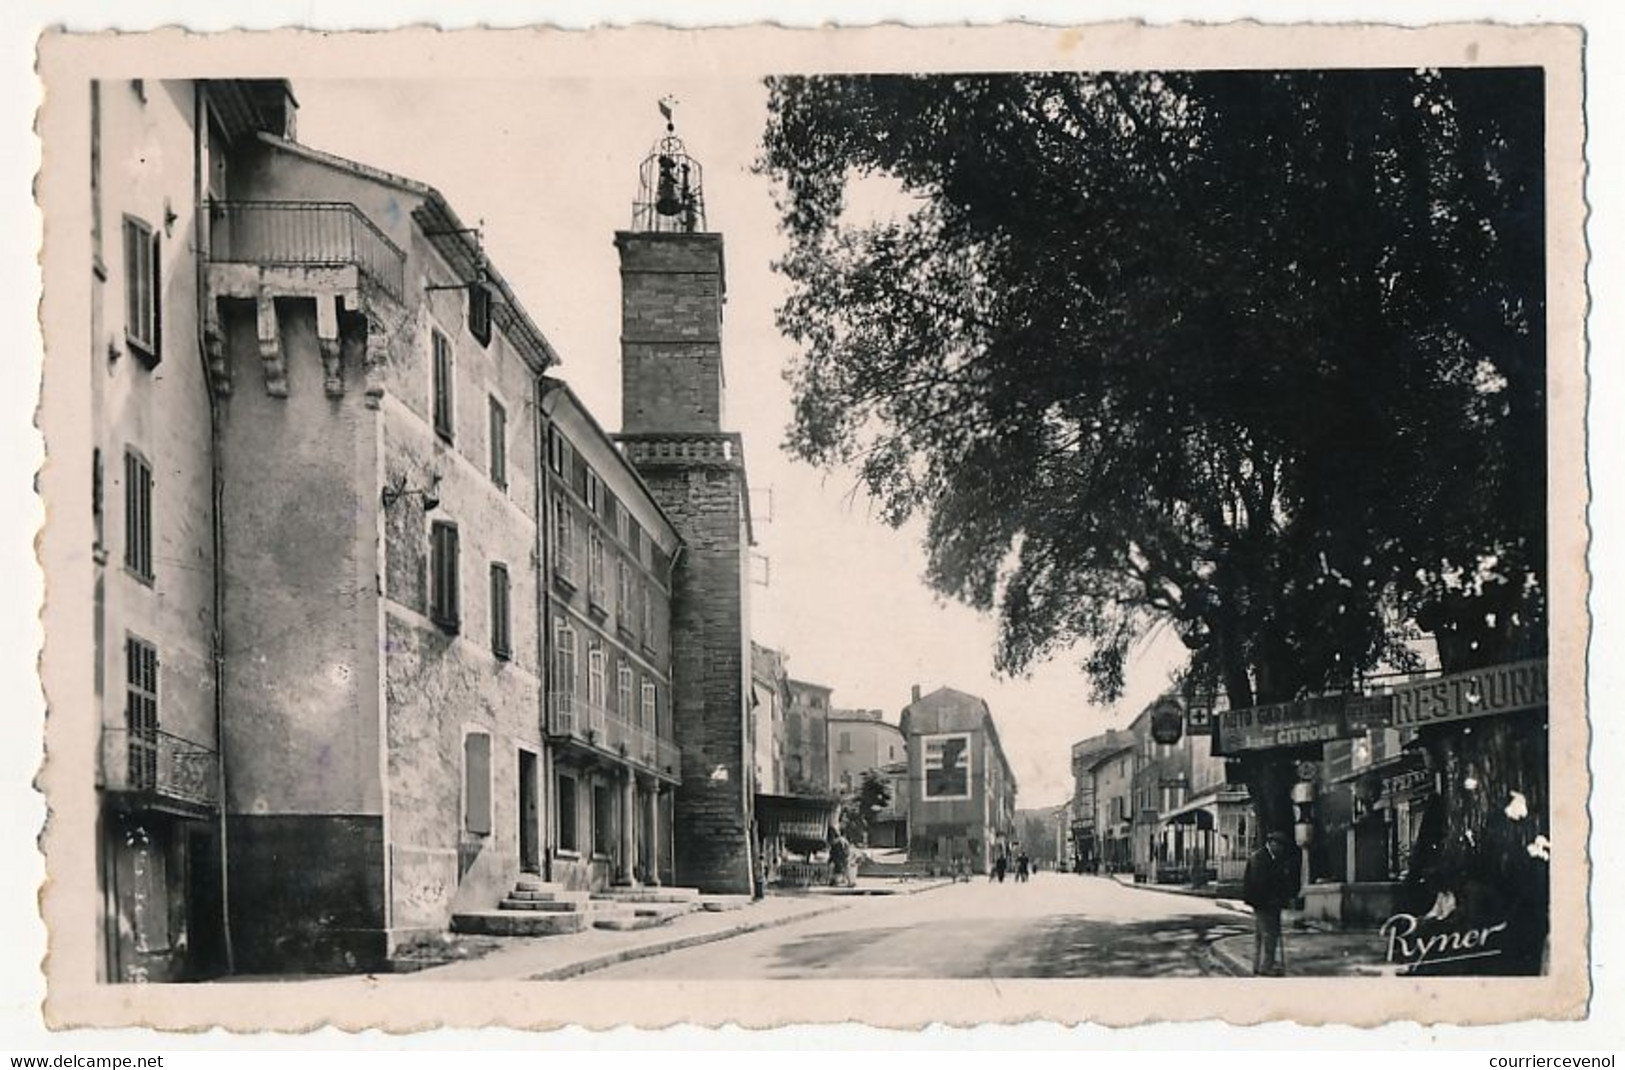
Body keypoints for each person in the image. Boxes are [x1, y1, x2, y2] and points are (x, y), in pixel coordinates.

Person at [1243, 830, 1302, 976]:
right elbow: (1261, 883)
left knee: (1261, 935)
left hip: (1263, 903)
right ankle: (1265, 967)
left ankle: (1258, 965)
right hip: (1265, 903)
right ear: (1272, 843)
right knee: (1269, 935)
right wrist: (1274, 899)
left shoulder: (1268, 857)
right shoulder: (1262, 859)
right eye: (1279, 845)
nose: (1281, 848)